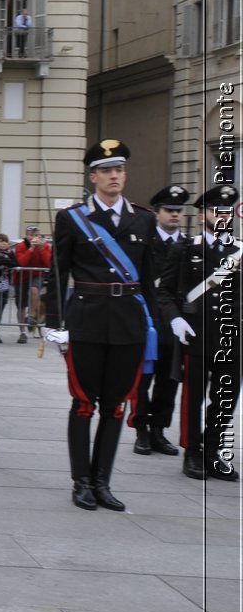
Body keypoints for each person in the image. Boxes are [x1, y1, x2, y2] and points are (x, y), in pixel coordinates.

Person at [43, 139, 161, 512]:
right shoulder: (72, 218)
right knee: (83, 403)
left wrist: (155, 327)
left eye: (120, 169)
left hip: (128, 325)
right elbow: (57, 275)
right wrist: (54, 323)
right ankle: (81, 482)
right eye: (107, 170)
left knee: (115, 406)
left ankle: (102, 481)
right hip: (87, 321)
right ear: (93, 176)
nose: (115, 176)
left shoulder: (143, 218)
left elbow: (149, 278)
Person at [161, 184, 240, 482]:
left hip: (233, 338)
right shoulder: (186, 248)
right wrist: (175, 319)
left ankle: (212, 449)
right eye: (214, 210)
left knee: (226, 399)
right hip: (197, 334)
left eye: (226, 211)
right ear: (202, 213)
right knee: (193, 397)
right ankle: (192, 451)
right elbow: (164, 291)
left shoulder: (238, 250)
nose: (221, 216)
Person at [132, 186, 189, 458]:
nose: (175, 215)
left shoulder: (189, 246)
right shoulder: (144, 243)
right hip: (148, 322)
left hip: (176, 324)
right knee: (143, 380)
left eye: (178, 210)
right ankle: (141, 430)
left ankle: (159, 430)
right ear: (157, 213)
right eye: (169, 210)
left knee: (169, 380)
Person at [14, 224, 51, 343]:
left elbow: (48, 263)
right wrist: (30, 249)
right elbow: (22, 262)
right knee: (21, 306)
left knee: (34, 290)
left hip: (36, 275)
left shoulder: (44, 246)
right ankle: (22, 332)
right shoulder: (20, 246)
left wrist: (41, 249)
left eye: (36, 235)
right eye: (31, 235)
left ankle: (31, 315)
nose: (34, 238)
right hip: (21, 277)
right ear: (26, 236)